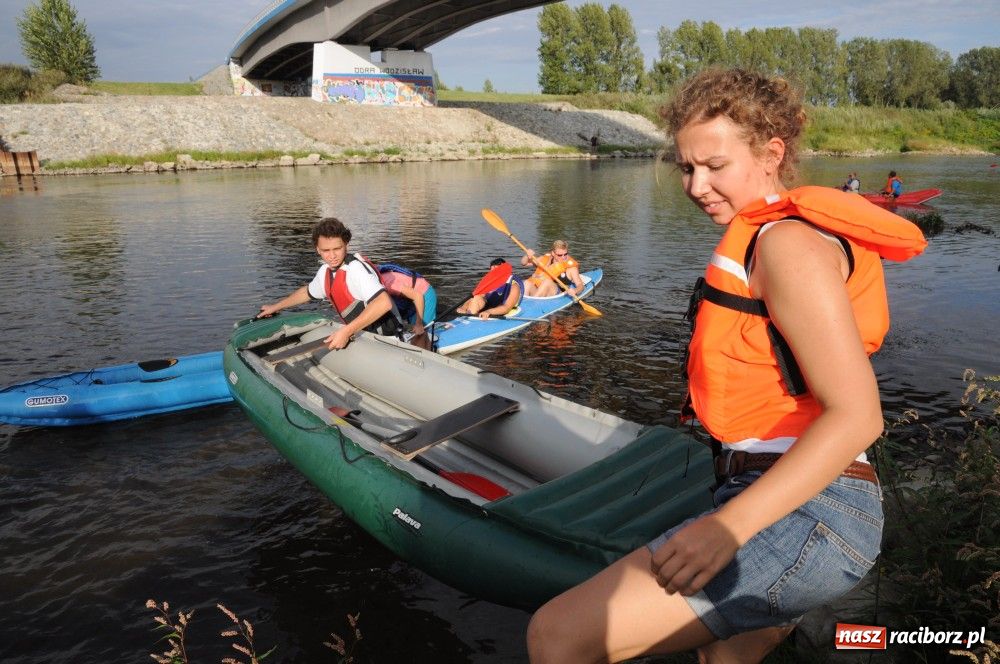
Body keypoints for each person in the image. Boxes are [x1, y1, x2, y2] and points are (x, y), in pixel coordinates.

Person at [526, 68, 926, 663]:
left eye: (714, 165)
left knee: (557, 637)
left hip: (812, 511)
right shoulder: (766, 238)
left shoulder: (785, 245)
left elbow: (859, 417)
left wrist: (728, 528)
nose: (696, 184)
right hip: (780, 495)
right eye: (686, 168)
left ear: (771, 154)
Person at [258, 217, 406, 350]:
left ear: (346, 244)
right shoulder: (325, 271)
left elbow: (383, 303)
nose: (332, 256)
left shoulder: (355, 269)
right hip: (363, 335)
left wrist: (346, 331)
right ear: (318, 249)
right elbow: (307, 292)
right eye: (326, 250)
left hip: (388, 340)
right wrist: (276, 307)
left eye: (337, 248)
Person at [377, 263, 437, 337]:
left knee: (419, 332)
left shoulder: (389, 284)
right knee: (411, 327)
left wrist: (419, 324)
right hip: (411, 300)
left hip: (424, 294)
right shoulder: (375, 281)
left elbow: (418, 296)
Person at [457, 258, 524, 319]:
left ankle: (471, 319)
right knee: (476, 297)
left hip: (501, 309)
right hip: (489, 307)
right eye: (492, 272)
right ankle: (469, 317)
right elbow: (473, 297)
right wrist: (463, 308)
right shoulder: (489, 283)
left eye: (497, 271)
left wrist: (488, 312)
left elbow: (506, 307)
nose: (494, 275)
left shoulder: (514, 286)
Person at [520, 240, 585, 297]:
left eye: (565, 254)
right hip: (540, 292)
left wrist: (575, 290)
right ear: (553, 253)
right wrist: (527, 256)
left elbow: (580, 286)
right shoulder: (546, 259)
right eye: (560, 255)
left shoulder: (571, 269)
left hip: (557, 294)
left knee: (547, 282)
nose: (563, 257)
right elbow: (524, 263)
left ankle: (533, 303)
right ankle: (523, 303)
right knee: (527, 283)